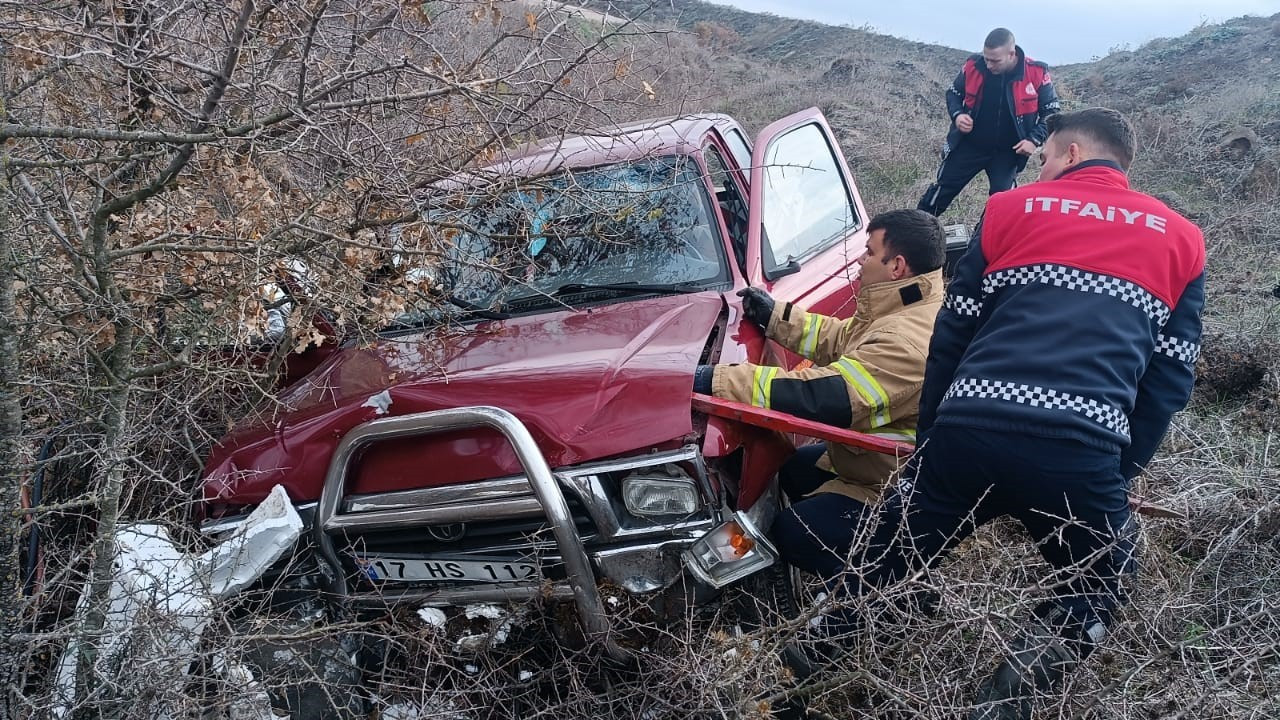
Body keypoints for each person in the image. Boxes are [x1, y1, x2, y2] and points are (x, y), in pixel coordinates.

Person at [815, 108, 1204, 720]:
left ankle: (804, 669)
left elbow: (952, 331)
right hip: (1082, 451)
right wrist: (1118, 467)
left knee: (884, 559)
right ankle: (1004, 704)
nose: (1041, 166)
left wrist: (935, 436)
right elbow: (1171, 375)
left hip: (968, 429)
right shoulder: (1183, 239)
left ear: (1072, 154)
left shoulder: (1008, 210)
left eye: (1046, 155)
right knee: (1101, 584)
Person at [691, 209, 946, 579]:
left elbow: (826, 397)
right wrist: (775, 316)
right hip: (874, 465)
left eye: (870, 252)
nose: (860, 261)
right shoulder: (906, 305)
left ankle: (878, 590)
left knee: (796, 533)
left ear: (897, 266)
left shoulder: (906, 340)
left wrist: (716, 380)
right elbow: (842, 339)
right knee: (793, 469)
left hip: (896, 488)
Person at [918, 27, 1061, 217]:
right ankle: (913, 232)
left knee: (1002, 204)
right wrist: (958, 115)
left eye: (995, 61)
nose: (989, 64)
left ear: (1011, 54)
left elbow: (1051, 111)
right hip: (969, 145)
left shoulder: (1036, 72)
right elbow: (954, 93)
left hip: (1008, 152)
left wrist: (1034, 139)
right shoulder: (973, 65)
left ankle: (984, 242)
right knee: (941, 190)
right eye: (986, 58)